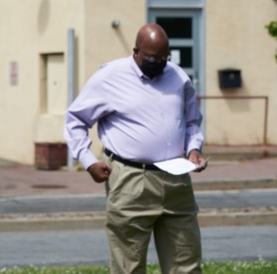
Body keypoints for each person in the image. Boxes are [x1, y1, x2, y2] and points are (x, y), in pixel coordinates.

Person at [64, 23, 208, 274]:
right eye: (153, 57)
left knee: (186, 265)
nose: (160, 63)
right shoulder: (110, 77)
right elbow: (76, 120)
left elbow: (192, 121)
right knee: (127, 267)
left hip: (177, 180)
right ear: (136, 51)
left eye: (165, 57)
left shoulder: (178, 76)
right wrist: (88, 161)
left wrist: (193, 149)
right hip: (132, 179)